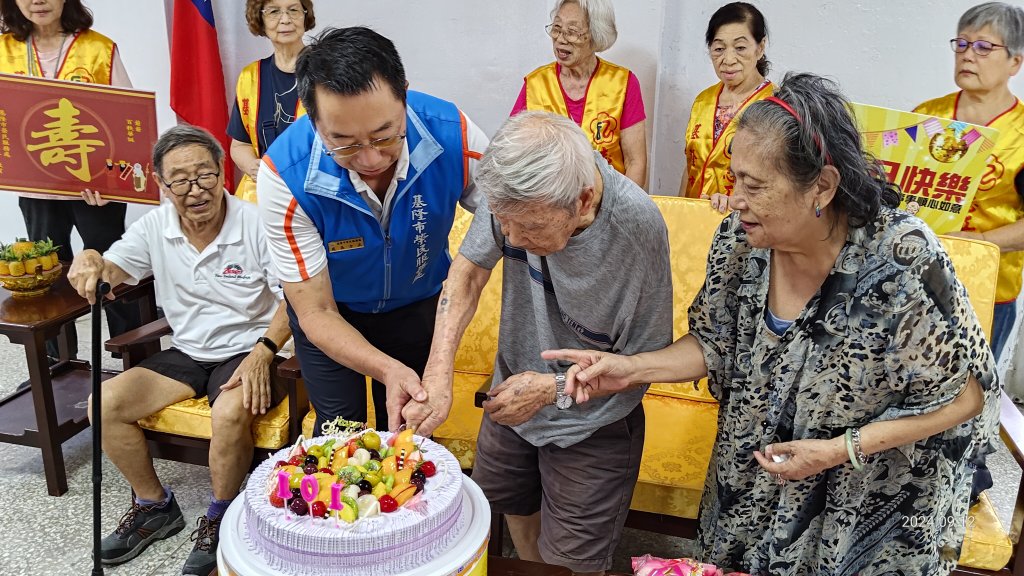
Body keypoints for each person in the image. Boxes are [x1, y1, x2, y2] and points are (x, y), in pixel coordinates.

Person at [546, 73, 999, 575]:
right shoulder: (742, 242)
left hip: (869, 500)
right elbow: (716, 343)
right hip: (756, 474)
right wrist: (630, 368)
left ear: (822, 186)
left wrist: (839, 449)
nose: (734, 198)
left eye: (754, 185)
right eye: (734, 178)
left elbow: (966, 395)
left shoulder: (900, 264)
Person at [402, 111, 673, 576]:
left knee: (570, 564)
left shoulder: (636, 229)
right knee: (509, 514)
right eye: (504, 223)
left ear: (583, 200)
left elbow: (645, 361)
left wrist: (553, 390)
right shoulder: (514, 192)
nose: (510, 238)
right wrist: (438, 371)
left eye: (528, 229)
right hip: (511, 396)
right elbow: (467, 276)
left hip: (593, 423)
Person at [68, 125, 290, 576]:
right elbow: (114, 269)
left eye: (204, 175)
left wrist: (265, 351)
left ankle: (220, 515)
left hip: (248, 347)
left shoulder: (257, 222)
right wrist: (90, 258)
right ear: (162, 185)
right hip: (187, 350)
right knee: (104, 403)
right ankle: (154, 507)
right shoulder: (155, 225)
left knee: (229, 412)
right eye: (181, 181)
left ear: (221, 171)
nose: (195, 190)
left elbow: (293, 298)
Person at [258, 27, 487, 435]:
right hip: (334, 313)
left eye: (385, 136)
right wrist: (385, 369)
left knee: (410, 428)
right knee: (339, 434)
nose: (369, 158)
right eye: (343, 143)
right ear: (312, 119)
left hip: (418, 305)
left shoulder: (455, 135)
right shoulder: (284, 175)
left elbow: (504, 219)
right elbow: (315, 310)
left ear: (404, 95)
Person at [913, 0, 1023, 510]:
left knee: (969, 396)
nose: (968, 55)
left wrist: (977, 246)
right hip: (918, 282)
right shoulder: (924, 120)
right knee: (911, 384)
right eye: (961, 43)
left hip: (989, 287)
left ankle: (960, 492)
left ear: (1015, 62)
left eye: (984, 46)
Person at [0, 0, 139, 356]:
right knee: (47, 278)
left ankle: (135, 358)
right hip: (37, 189)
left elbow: (127, 120)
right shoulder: (4, 51)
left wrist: (114, 185)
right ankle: (57, 365)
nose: (38, 1)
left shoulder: (98, 49)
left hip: (94, 190)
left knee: (112, 271)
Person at [512, 0, 647, 189]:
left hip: (607, 205)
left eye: (572, 32)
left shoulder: (623, 84)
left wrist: (623, 211)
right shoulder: (535, 84)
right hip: (547, 205)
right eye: (557, 28)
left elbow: (635, 162)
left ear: (595, 36)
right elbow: (514, 154)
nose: (560, 39)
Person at [680, 2, 773, 202]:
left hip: (742, 221)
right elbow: (690, 168)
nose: (728, 59)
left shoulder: (775, 104)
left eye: (740, 48)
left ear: (760, 47)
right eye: (719, 48)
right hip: (694, 218)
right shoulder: (703, 100)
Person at [228, 0, 315, 203]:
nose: (285, 20)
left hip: (314, 193)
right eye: (274, 11)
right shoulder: (250, 77)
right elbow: (239, 145)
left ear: (305, 16)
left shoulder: (329, 71)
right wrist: (252, 166)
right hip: (264, 196)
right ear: (260, 19)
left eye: (293, 10)